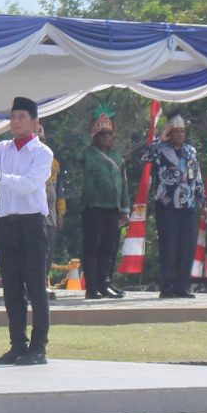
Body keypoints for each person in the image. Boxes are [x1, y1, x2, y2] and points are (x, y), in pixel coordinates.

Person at [0, 96, 54, 366]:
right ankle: (18, 344)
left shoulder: (42, 153)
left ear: (35, 123)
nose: (15, 121)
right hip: (7, 223)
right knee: (11, 288)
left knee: (35, 287)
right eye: (12, 116)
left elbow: (29, 184)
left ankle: (39, 347)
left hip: (32, 223)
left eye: (21, 117)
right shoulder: (3, 148)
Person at [142, 112, 206, 299]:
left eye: (182, 132)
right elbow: (145, 157)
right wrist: (161, 137)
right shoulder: (161, 150)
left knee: (185, 248)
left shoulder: (191, 152)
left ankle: (182, 286)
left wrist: (203, 202)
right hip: (167, 205)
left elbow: (198, 178)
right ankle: (167, 286)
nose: (180, 135)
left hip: (187, 206)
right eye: (176, 131)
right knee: (169, 247)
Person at [80, 104, 131, 300]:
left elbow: (124, 185)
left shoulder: (117, 157)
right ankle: (92, 286)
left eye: (109, 134)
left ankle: (105, 283)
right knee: (92, 248)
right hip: (93, 207)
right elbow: (78, 154)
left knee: (108, 249)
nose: (106, 138)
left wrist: (125, 210)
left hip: (113, 209)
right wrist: (90, 134)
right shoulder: (88, 154)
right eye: (102, 134)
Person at [36, 123, 65, 300]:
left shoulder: (53, 162)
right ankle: (30, 285)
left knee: (48, 250)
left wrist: (61, 212)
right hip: (31, 213)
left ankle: (43, 283)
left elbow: (59, 189)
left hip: (50, 214)